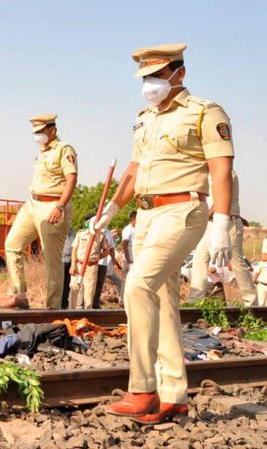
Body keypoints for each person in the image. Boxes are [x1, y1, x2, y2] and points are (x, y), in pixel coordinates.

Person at [94, 44, 234, 424]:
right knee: (163, 300)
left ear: (179, 74)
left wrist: (221, 224)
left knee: (137, 285)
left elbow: (220, 169)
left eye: (157, 75)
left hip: (182, 210)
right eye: (145, 77)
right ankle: (174, 396)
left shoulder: (205, 112)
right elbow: (133, 170)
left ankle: (142, 389)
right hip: (146, 215)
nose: (149, 84)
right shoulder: (145, 118)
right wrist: (111, 210)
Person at [1, 113, 78, 310]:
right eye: (35, 132)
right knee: (12, 245)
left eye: (40, 131)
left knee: (52, 259)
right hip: (32, 204)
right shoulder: (42, 152)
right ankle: (19, 294)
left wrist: (60, 207)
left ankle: (53, 306)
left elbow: (71, 179)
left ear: (52, 130)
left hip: (53, 205)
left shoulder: (64, 149)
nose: (37, 136)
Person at [188, 170, 256, 305]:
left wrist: (204, 218)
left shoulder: (226, 170)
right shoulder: (209, 172)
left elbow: (222, 198)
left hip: (227, 223)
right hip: (211, 223)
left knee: (237, 264)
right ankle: (194, 302)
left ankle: (252, 303)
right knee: (199, 260)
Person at [69, 213, 111, 309]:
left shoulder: (100, 236)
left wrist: (96, 258)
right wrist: (73, 265)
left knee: (89, 293)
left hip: (92, 267)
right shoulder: (80, 234)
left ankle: (86, 313)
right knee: (74, 289)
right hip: (79, 265)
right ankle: (71, 312)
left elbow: (107, 251)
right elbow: (74, 249)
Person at [95, 228, 123, 308]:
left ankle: (121, 300)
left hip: (107, 267)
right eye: (115, 233)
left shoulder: (110, 238)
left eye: (117, 234)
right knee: (97, 285)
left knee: (119, 282)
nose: (116, 235)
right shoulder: (100, 234)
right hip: (99, 264)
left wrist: (114, 264)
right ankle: (95, 302)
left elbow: (112, 251)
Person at [61, 228, 76, 309]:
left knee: (67, 284)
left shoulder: (73, 232)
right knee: (60, 284)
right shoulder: (59, 231)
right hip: (61, 261)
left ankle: (64, 303)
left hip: (70, 262)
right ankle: (59, 303)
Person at [251, 240, 267, 307]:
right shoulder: (261, 264)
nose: (263, 256)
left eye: (264, 255)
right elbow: (256, 274)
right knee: (261, 304)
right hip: (262, 285)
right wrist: (252, 282)